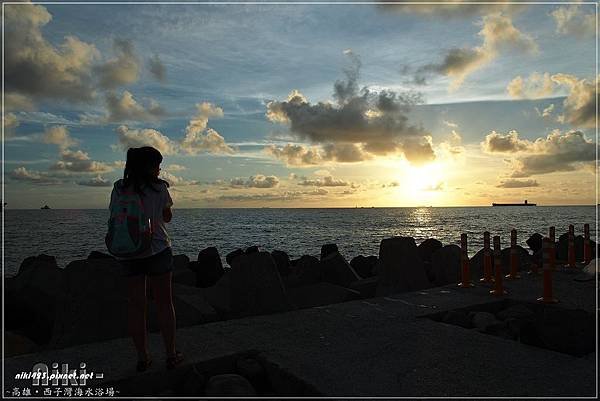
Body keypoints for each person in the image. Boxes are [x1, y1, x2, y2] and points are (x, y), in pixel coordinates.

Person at [109, 146, 184, 372]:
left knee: (136, 306)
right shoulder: (160, 189)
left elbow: (114, 214)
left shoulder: (119, 188)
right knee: (164, 304)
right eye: (157, 164)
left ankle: (143, 358)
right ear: (150, 167)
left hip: (129, 252)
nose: (160, 169)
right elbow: (167, 217)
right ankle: (171, 355)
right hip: (158, 250)